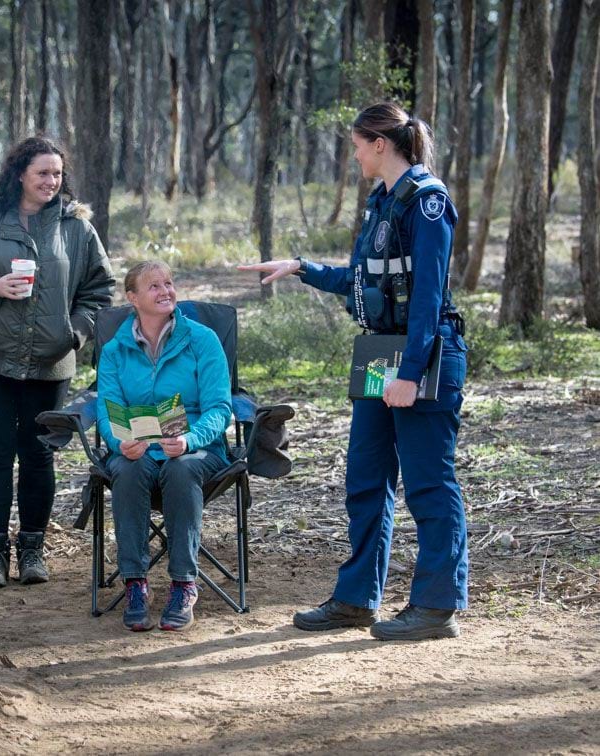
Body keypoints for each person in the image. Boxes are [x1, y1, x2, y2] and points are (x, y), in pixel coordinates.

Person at [238, 102, 468, 641]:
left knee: (430, 482)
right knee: (366, 479)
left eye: (358, 145)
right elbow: (366, 280)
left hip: (424, 355)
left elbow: (428, 297)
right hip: (377, 355)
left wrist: (410, 374)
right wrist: (301, 268)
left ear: (381, 144)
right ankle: (357, 598)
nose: (356, 154)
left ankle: (437, 606)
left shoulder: (428, 204)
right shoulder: (382, 201)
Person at [0, 136, 115, 589]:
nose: (51, 182)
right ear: (19, 174)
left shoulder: (76, 227)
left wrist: (72, 333)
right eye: (42, 173)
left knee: (38, 456)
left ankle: (32, 550)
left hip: (50, 362)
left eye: (57, 174)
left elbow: (99, 289)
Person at [95, 261, 232, 632]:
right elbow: (108, 410)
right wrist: (119, 442)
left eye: (169, 283)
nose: (165, 291)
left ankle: (184, 584)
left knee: (181, 466)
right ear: (133, 298)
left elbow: (220, 408)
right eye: (154, 286)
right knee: (125, 469)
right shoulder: (114, 350)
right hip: (138, 450)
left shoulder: (202, 340)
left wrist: (190, 438)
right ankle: (135, 582)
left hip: (197, 447)